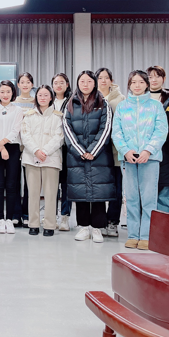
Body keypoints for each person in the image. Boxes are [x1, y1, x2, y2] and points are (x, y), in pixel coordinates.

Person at [112, 70, 168, 250]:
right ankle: (133, 235)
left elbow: (161, 131)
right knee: (131, 197)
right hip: (128, 159)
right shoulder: (122, 107)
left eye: (141, 82)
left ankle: (146, 236)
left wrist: (148, 150)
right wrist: (125, 151)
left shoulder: (156, 106)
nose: (137, 85)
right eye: (133, 82)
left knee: (149, 198)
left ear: (147, 84)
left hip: (149, 158)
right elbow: (116, 132)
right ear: (129, 84)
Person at [63, 70, 116, 243]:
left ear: (94, 83)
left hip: (99, 156)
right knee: (80, 192)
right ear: (78, 83)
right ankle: (84, 227)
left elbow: (106, 128)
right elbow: (67, 128)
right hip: (76, 156)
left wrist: (93, 151)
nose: (85, 85)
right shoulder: (70, 103)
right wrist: (80, 151)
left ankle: (97, 228)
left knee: (98, 193)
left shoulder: (103, 103)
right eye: (82, 81)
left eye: (89, 81)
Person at [21, 85, 64, 237]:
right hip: (31, 158)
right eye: (40, 95)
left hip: (51, 158)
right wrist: (36, 151)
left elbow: (59, 137)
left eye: (46, 95)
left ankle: (49, 225)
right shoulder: (28, 115)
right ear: (36, 97)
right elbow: (25, 135)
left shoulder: (58, 116)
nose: (43, 98)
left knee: (51, 194)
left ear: (51, 97)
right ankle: (33, 224)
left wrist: (44, 151)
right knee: (33, 193)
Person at [0, 80, 23, 234]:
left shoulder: (17, 110)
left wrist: (3, 144)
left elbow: (16, 130)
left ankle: (10, 219)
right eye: (2, 92)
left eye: (8, 91)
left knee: (11, 185)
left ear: (13, 93)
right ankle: (1, 219)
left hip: (13, 148)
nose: (5, 94)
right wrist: (1, 147)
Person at [147, 66, 169, 213]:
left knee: (164, 191)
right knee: (146, 191)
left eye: (158, 76)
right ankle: (146, 225)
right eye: (150, 77)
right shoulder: (139, 98)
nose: (154, 80)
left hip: (167, 151)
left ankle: (164, 225)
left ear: (164, 78)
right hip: (145, 150)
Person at [96, 67, 126, 238]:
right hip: (98, 153)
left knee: (116, 189)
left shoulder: (120, 99)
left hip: (115, 151)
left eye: (106, 78)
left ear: (111, 80)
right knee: (99, 189)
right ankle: (100, 222)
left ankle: (113, 222)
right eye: (100, 78)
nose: (103, 81)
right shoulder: (91, 98)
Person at [13, 72, 36, 227]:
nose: (25, 85)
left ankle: (27, 213)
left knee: (30, 183)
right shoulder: (13, 102)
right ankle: (16, 214)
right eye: (22, 82)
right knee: (14, 181)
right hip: (15, 145)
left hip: (31, 147)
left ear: (32, 84)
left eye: (28, 82)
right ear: (18, 85)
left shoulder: (37, 102)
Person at [52, 73, 72, 231]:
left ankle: (65, 216)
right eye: (55, 83)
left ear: (67, 84)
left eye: (61, 82)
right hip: (51, 147)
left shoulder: (72, 101)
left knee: (66, 184)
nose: (58, 85)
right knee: (51, 183)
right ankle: (51, 215)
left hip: (67, 147)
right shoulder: (48, 101)